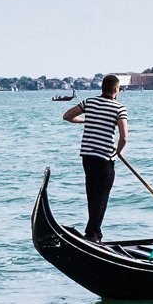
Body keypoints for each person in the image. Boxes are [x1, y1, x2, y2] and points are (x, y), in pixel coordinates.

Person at [63, 75, 128, 243]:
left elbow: (67, 116)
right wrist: (117, 153)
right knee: (101, 197)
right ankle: (93, 235)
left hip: (87, 157)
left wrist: (86, 121)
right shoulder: (119, 108)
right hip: (105, 158)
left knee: (92, 195)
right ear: (115, 89)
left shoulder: (89, 102)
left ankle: (92, 232)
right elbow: (124, 138)